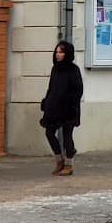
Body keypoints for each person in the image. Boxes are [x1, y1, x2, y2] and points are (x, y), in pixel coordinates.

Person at [40, 39, 83, 175]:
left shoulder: (73, 70)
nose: (58, 54)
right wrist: (47, 102)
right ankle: (59, 160)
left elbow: (78, 90)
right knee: (49, 133)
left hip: (68, 109)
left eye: (61, 52)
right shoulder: (55, 69)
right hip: (54, 108)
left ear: (67, 54)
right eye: (57, 52)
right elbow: (51, 88)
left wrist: (70, 104)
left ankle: (69, 164)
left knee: (67, 136)